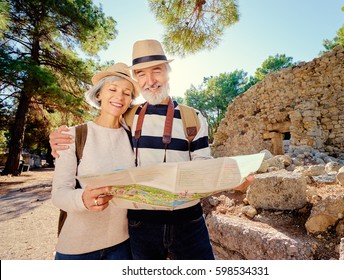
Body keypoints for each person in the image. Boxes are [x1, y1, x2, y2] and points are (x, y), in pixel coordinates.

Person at [50, 40, 254, 260]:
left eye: (156, 71)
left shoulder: (193, 117)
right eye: (141, 74)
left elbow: (203, 166)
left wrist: (228, 180)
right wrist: (59, 139)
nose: (150, 81)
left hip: (188, 220)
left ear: (168, 71)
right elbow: (101, 130)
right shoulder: (129, 117)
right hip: (141, 223)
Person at [51, 63, 138, 260]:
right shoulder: (74, 135)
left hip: (123, 246)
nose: (119, 97)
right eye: (113, 89)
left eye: (127, 93)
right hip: (77, 248)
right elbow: (58, 194)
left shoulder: (133, 138)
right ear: (99, 94)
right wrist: (82, 199)